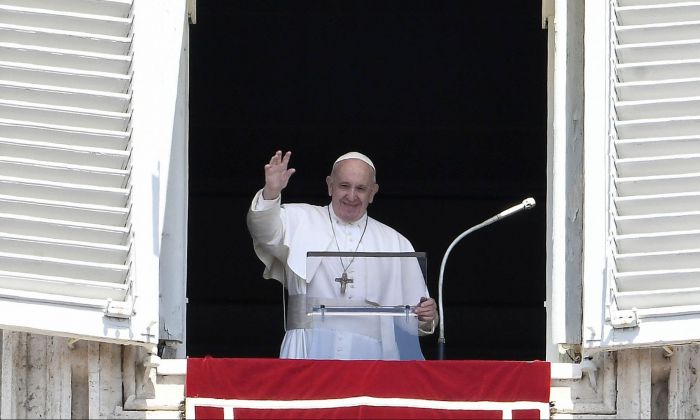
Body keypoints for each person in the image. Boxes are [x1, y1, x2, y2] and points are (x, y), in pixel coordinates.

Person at [247, 150, 437, 360]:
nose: (352, 196)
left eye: (361, 189)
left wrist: (426, 316)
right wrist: (271, 192)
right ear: (330, 185)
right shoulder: (298, 218)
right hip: (306, 348)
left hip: (372, 356)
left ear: (373, 192)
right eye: (344, 186)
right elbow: (264, 232)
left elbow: (414, 318)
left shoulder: (395, 242)